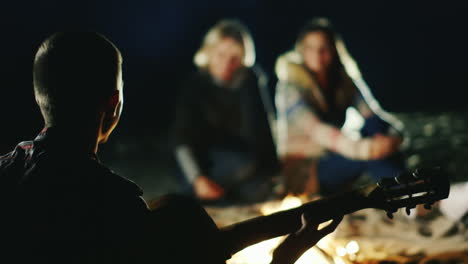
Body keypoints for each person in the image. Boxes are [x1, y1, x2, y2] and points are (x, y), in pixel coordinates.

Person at [0, 31, 342, 264]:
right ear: (114, 104)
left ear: (39, 96)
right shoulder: (116, 205)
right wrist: (283, 257)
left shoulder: (5, 170)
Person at [274, 17, 405, 196]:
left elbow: (372, 114)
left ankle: (404, 190)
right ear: (301, 51)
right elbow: (318, 130)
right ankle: (404, 194)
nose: (317, 54)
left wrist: (393, 136)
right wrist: (366, 149)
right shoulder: (289, 87)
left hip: (336, 156)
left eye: (324, 48)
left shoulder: (343, 81)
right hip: (307, 169)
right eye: (310, 48)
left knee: (376, 129)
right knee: (373, 153)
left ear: (334, 50)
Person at [173, 19, 280, 203]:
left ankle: (226, 196)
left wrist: (275, 172)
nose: (227, 63)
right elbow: (182, 140)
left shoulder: (250, 81)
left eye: (235, 57)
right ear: (208, 53)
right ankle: (199, 192)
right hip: (205, 163)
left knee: (261, 189)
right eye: (220, 54)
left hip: (246, 161)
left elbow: (265, 127)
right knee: (242, 165)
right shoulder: (195, 84)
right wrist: (197, 178)